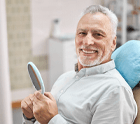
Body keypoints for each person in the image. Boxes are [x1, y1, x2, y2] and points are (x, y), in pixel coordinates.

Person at [21, 5, 137, 124]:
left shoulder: (115, 91)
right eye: (82, 33)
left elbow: (50, 119)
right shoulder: (65, 78)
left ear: (113, 43)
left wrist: (52, 120)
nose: (87, 42)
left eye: (98, 34)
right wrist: (30, 118)